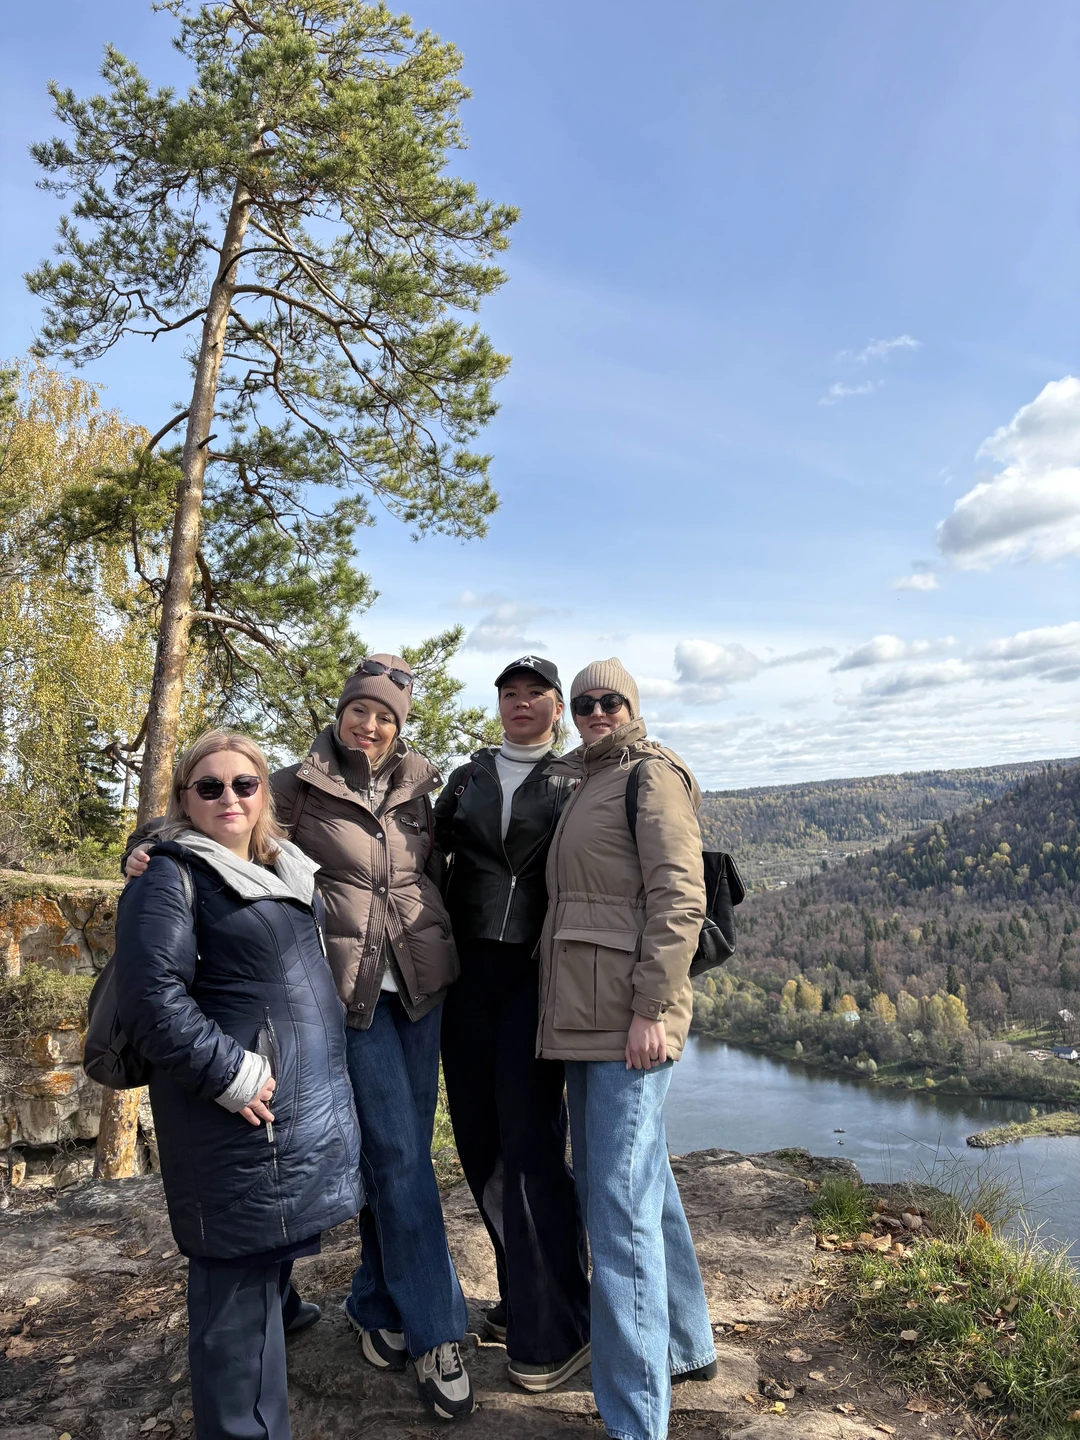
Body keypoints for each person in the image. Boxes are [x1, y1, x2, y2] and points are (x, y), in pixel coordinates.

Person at [124, 656, 473, 1422]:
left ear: (401, 722)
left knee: (400, 1154)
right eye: (359, 709)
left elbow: (442, 867)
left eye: (385, 714)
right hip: (350, 994)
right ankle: (436, 1332)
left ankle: (378, 1305)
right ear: (340, 710)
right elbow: (217, 814)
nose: (370, 724)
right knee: (400, 1159)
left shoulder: (422, 784)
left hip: (421, 988)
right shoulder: (293, 780)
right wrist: (145, 844)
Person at [113, 729, 362, 1440]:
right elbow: (150, 996)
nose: (229, 798)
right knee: (234, 1289)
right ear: (185, 800)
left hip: (276, 1113)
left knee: (263, 1257)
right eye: (210, 786)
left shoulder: (279, 863)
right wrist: (230, 1071)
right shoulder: (170, 873)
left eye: (244, 784)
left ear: (264, 795)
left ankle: (281, 1322)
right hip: (233, 1112)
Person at [537, 659, 718, 1440]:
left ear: (633, 706)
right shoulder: (588, 778)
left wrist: (652, 1010)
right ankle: (683, 1345)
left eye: (610, 701)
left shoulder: (651, 774)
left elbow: (680, 895)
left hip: (626, 1021)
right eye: (583, 703)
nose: (596, 711)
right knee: (642, 1186)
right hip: (588, 1012)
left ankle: (636, 1421)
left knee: (615, 1210)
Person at [435, 655, 590, 1393]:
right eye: (510, 693)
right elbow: (413, 854)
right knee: (480, 1144)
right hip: (467, 975)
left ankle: (552, 1331)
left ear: (556, 708)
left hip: (536, 974)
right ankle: (529, 1295)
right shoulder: (465, 779)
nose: (521, 703)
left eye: (536, 694)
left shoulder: (574, 780)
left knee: (530, 1146)